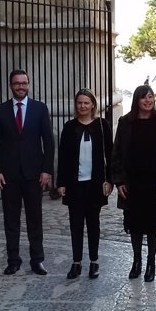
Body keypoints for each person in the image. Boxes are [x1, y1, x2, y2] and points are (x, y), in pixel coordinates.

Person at [0, 69, 55, 276]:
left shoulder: (39, 108)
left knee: (35, 219)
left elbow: (49, 142)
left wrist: (47, 170)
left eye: (24, 83)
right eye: (17, 83)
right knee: (11, 220)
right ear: (10, 85)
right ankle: (13, 260)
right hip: (8, 175)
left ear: (28, 85)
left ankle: (37, 260)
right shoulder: (0, 111)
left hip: (34, 174)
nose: (20, 86)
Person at [111, 85, 156, 283]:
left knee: (154, 226)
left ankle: (151, 262)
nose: (148, 101)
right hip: (133, 183)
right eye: (144, 98)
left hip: (155, 184)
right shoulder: (126, 122)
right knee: (135, 225)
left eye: (151, 97)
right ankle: (136, 260)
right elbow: (117, 153)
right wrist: (118, 180)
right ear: (137, 100)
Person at [57, 88, 113, 280]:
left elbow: (110, 155)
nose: (83, 106)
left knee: (93, 223)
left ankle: (94, 261)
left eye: (86, 103)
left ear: (93, 105)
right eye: (79, 103)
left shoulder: (102, 125)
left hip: (95, 183)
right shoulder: (69, 126)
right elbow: (63, 157)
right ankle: (76, 262)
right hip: (74, 183)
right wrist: (61, 182)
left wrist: (110, 181)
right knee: (75, 224)